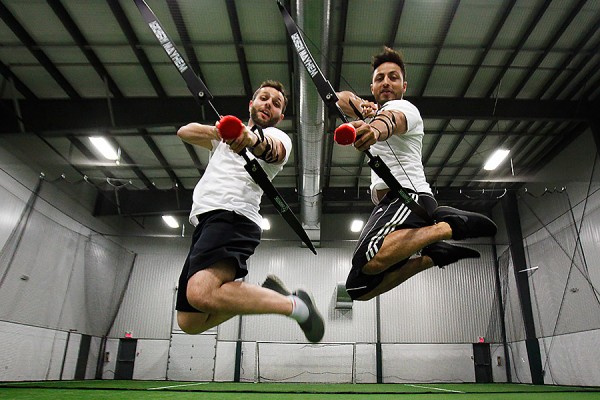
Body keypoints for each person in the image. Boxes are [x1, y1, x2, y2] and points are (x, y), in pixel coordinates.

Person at [334, 47, 497, 301]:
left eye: (393, 77)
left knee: (369, 256)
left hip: (408, 197)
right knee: (358, 288)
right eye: (380, 78)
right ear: (373, 86)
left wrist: (374, 130)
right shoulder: (374, 111)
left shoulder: (405, 107)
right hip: (392, 204)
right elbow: (339, 99)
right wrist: (363, 107)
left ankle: (448, 227)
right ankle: (433, 256)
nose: (386, 82)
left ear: (404, 86)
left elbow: (391, 120)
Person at [175, 80, 324, 342]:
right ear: (251, 104)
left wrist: (250, 138)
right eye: (264, 98)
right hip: (206, 222)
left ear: (280, 116)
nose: (269, 104)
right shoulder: (222, 140)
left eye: (276, 104)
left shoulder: (279, 138)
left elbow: (272, 152)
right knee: (190, 320)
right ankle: (274, 297)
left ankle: (296, 308)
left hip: (233, 216)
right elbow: (184, 132)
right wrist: (220, 131)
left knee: (201, 294)